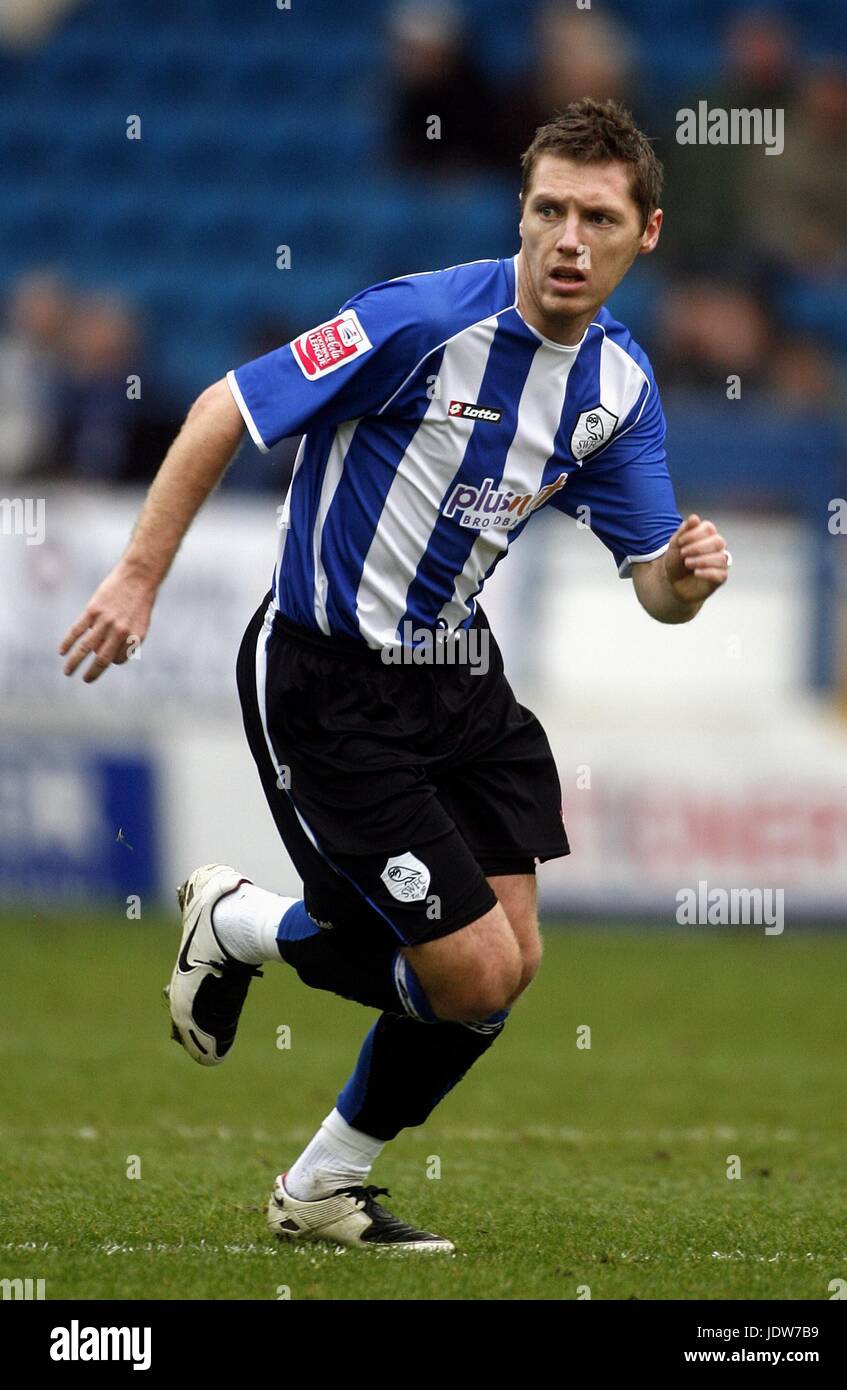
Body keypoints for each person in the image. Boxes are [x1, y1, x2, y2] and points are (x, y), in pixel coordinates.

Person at [59, 99, 731, 1252]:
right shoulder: (417, 321)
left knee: (506, 966)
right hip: (329, 679)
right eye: (548, 211)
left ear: (646, 234)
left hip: (458, 677)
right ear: (520, 215)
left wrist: (686, 577)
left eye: (597, 218)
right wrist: (136, 575)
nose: (568, 239)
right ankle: (246, 925)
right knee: (470, 975)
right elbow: (227, 403)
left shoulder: (617, 386)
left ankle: (319, 1185)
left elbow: (654, 592)